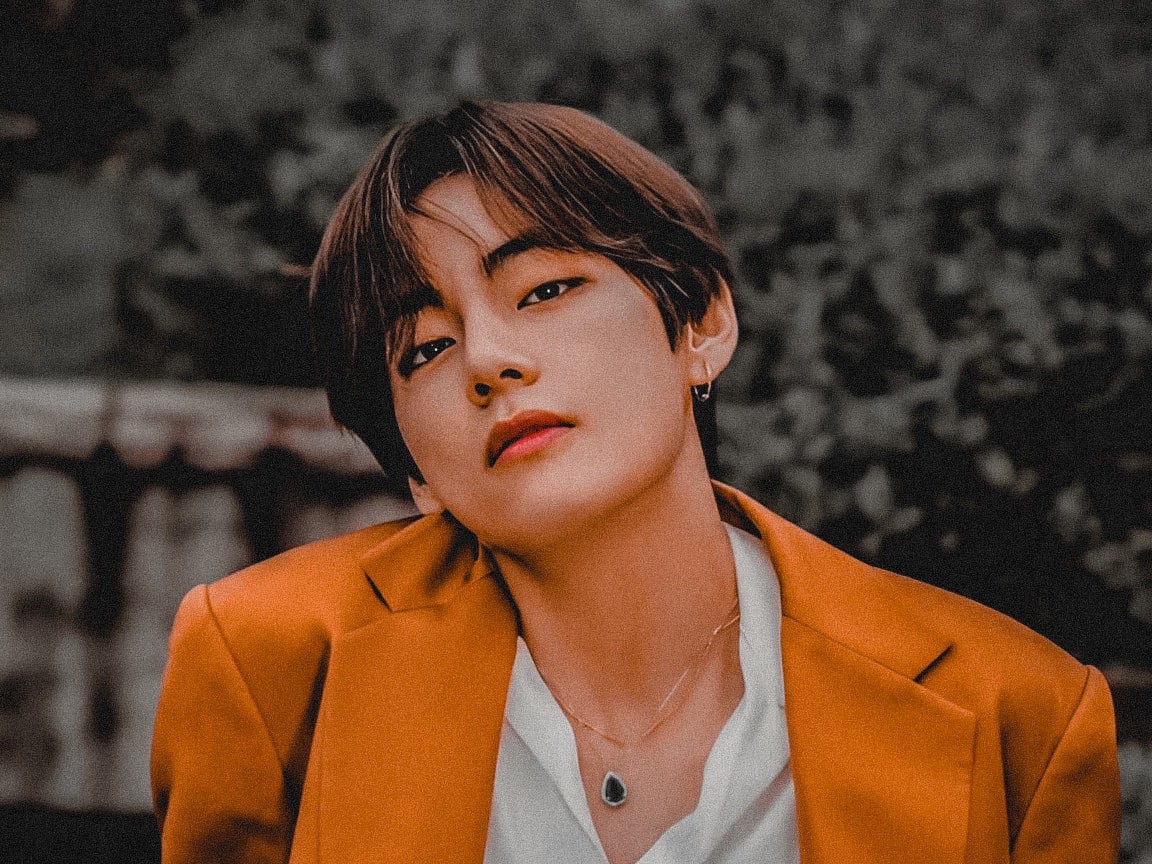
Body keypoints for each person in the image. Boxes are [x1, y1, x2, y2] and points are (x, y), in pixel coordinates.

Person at [151, 101, 1120, 864]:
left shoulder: (1019, 714)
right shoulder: (272, 666)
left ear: (700, 324)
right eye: (427, 348)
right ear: (413, 470)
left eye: (544, 289)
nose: (488, 359)